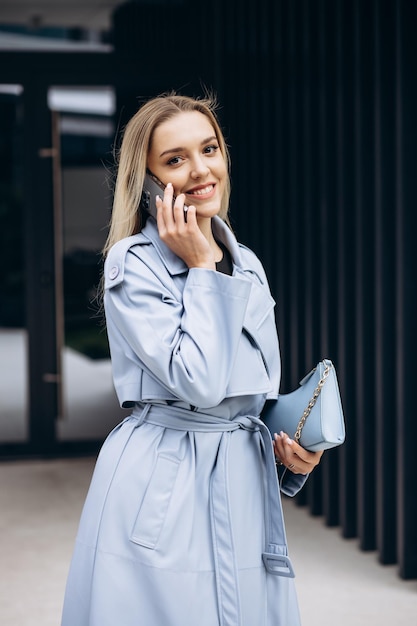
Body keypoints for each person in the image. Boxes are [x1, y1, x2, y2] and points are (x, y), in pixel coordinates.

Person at [61, 92, 323, 626]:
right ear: (151, 180)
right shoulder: (133, 265)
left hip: (242, 480)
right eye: (175, 159)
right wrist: (201, 268)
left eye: (209, 148)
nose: (201, 169)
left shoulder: (245, 261)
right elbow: (200, 384)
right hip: (163, 484)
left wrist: (288, 454)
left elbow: (251, 388)